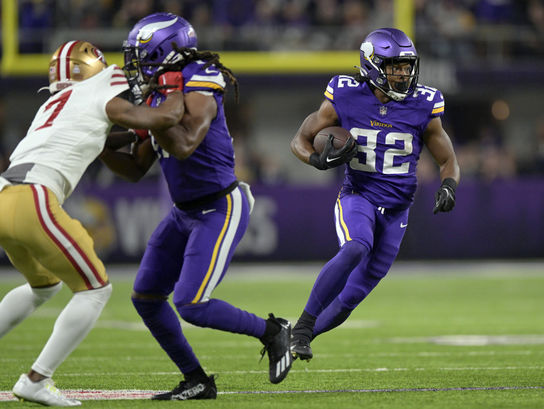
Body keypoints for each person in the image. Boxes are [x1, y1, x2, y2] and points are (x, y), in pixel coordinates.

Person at [99, 13, 292, 400]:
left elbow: (185, 141)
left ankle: (273, 332)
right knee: (147, 298)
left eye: (141, 56)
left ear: (166, 51)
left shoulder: (202, 76)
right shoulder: (159, 95)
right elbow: (136, 168)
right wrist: (100, 146)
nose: (136, 66)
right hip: (184, 211)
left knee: (191, 302)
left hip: (220, 205)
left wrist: (139, 117)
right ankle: (197, 380)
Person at [0, 41, 184, 406]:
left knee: (44, 286)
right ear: (90, 68)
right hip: (34, 197)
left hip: (5, 195)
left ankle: (37, 378)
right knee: (95, 289)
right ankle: (37, 379)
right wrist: (176, 96)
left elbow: (98, 135)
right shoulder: (102, 87)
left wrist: (134, 134)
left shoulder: (53, 104)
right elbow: (156, 119)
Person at [289, 28, 460, 361]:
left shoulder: (424, 103)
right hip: (359, 195)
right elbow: (299, 139)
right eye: (395, 66)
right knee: (356, 246)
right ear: (372, 64)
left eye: (407, 66)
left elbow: (448, 159)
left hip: (398, 211)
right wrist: (314, 159)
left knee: (351, 297)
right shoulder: (345, 94)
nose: (404, 74)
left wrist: (449, 185)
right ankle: (303, 326)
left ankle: (295, 338)